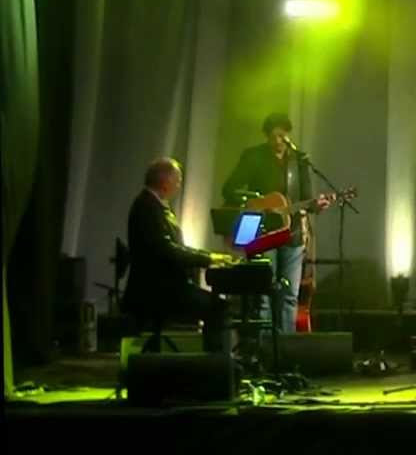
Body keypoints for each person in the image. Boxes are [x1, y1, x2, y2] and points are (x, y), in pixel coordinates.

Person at [221, 113, 329, 332]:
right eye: (273, 137)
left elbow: (306, 198)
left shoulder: (299, 160)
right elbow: (229, 189)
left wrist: (316, 205)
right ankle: (264, 344)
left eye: (282, 136)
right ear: (266, 136)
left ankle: (285, 345)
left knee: (289, 295)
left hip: (292, 232)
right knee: (264, 294)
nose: (278, 141)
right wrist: (256, 201)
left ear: (288, 135)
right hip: (263, 232)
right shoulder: (253, 156)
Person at [123, 158, 233, 352]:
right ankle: (216, 363)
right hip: (157, 289)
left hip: (164, 285)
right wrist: (208, 259)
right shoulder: (147, 208)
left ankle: (214, 361)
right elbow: (166, 250)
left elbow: (175, 247)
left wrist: (209, 256)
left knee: (216, 305)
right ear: (165, 182)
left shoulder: (153, 205)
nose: (179, 186)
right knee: (219, 308)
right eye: (178, 180)